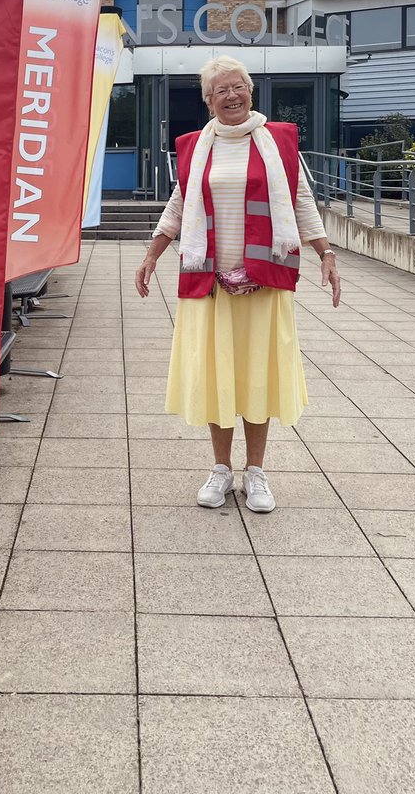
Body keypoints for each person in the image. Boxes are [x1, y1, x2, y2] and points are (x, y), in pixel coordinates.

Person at [134, 56, 341, 513]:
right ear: (208, 101)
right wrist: (151, 256)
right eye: (221, 90)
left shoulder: (279, 142)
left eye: (238, 87)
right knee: (216, 375)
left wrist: (324, 253)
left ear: (251, 91)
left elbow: (301, 201)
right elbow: (178, 205)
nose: (232, 95)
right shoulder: (192, 147)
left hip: (263, 281)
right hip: (209, 281)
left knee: (256, 375)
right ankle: (221, 469)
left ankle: (256, 472)